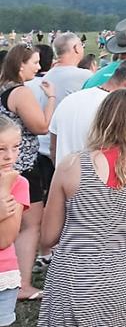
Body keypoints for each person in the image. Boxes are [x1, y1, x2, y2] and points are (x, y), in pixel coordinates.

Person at [39, 89, 126, 327]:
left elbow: (47, 237)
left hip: (75, 279)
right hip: (125, 278)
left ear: (102, 119)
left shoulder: (72, 165)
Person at [0, 46, 54, 304]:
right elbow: (41, 126)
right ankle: (22, 283)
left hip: (7, 165)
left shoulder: (1, 88)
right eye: (34, 62)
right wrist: (51, 100)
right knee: (30, 225)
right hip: (23, 167)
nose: (38, 66)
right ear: (20, 65)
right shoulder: (20, 91)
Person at [0, 117, 30, 327]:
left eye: (16, 147)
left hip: (3, 274)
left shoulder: (18, 183)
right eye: (0, 149)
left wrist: (3, 189)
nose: (9, 156)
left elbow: (5, 238)